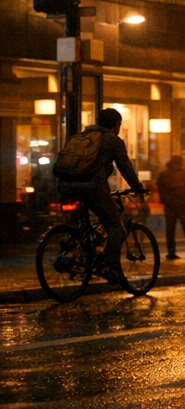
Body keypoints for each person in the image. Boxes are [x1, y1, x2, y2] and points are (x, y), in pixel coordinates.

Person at [57, 108, 146, 284]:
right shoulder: (113, 140)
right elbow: (125, 167)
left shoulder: (80, 137)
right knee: (116, 226)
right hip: (92, 188)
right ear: (116, 124)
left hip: (66, 186)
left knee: (82, 227)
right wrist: (138, 188)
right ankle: (110, 267)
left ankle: (70, 250)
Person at [156, 154, 185, 260]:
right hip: (177, 204)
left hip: (175, 204)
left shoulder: (165, 174)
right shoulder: (181, 174)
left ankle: (174, 252)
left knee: (173, 228)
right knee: (183, 228)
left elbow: (161, 189)